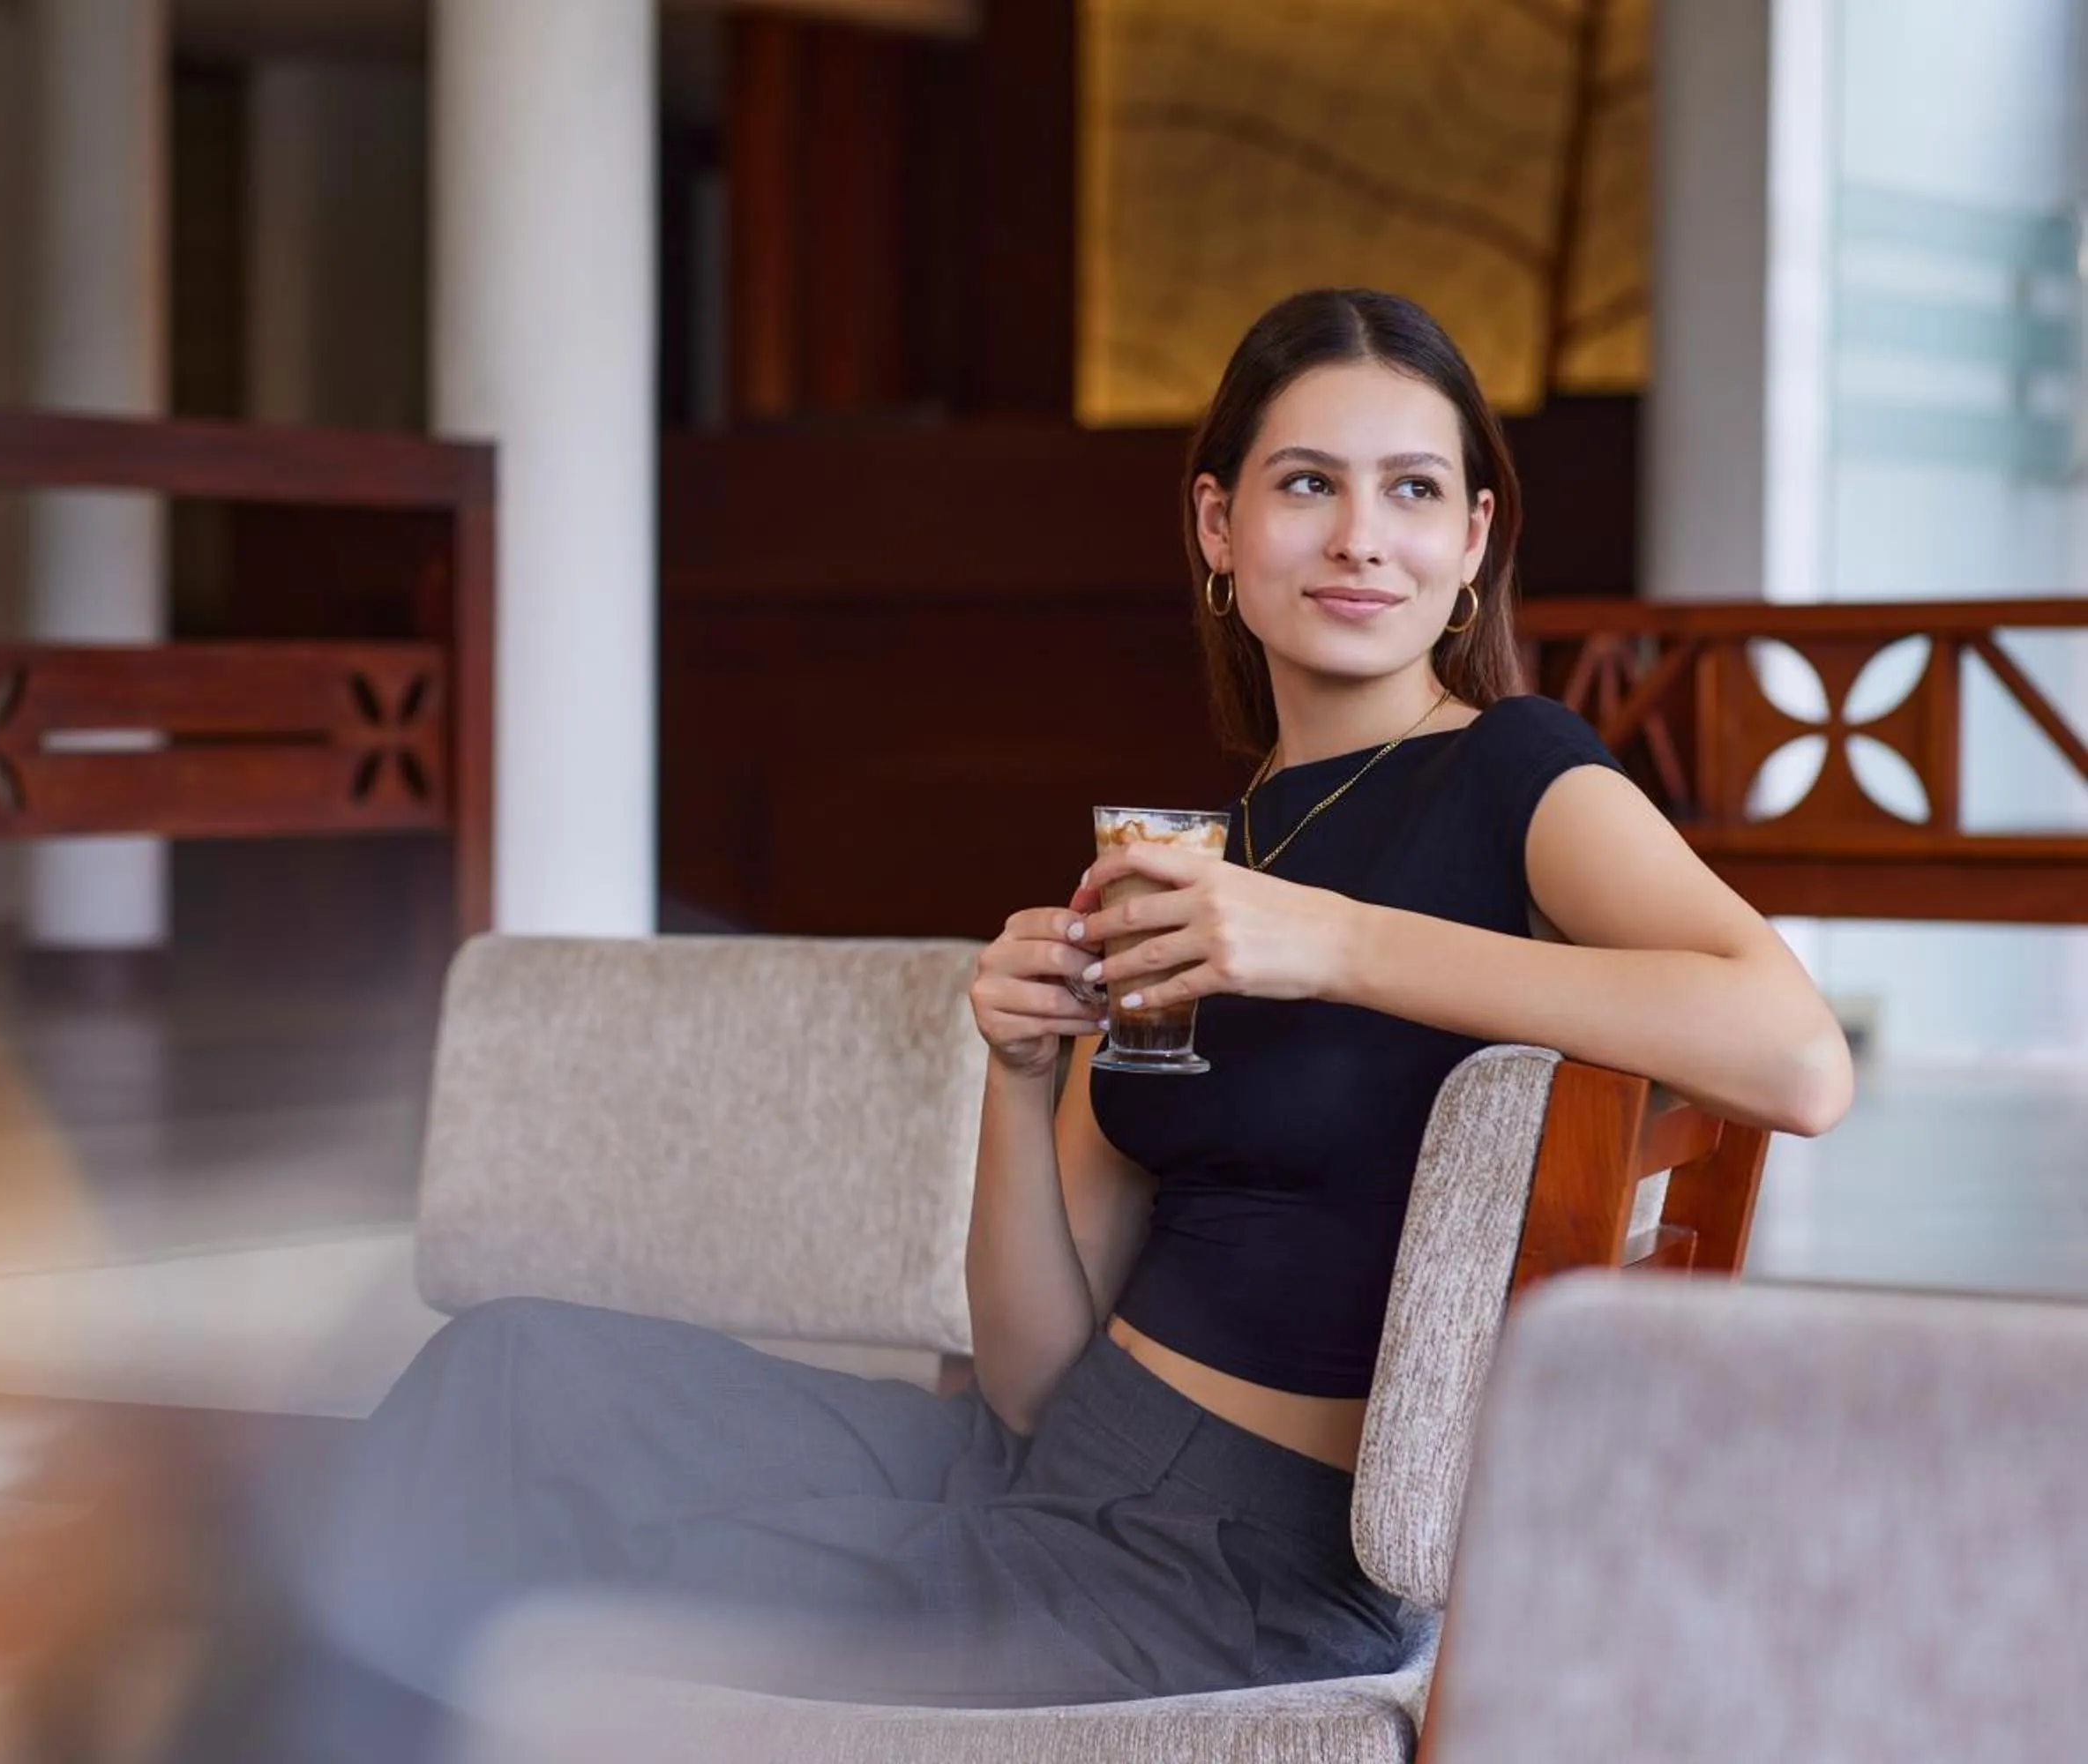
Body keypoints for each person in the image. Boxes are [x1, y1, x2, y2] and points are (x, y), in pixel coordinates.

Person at [174, 288, 1854, 1761]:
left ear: (1473, 539)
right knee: (513, 1377)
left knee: (498, 1560)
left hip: (1217, 1582)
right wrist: (1016, 1070)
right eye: (1306, 486)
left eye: (1415, 492)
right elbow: (1042, 1376)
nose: (1362, 539)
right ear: (1217, 526)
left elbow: (1793, 1051)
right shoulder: (1204, 853)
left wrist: (1335, 947)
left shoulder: (1512, 776)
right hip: (1042, 1470)